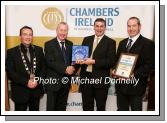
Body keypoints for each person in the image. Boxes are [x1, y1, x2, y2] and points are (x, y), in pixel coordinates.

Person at [114, 17, 154, 111]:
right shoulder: (122, 43)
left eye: (134, 26)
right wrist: (115, 69)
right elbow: (117, 61)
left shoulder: (148, 44)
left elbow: (150, 66)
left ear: (139, 26)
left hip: (136, 87)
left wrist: (134, 74)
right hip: (120, 86)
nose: (131, 28)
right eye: (129, 26)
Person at [76, 18, 116, 111]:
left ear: (105, 28)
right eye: (97, 26)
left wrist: (94, 61)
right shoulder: (86, 39)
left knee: (101, 108)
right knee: (86, 107)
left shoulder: (110, 42)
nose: (99, 28)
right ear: (94, 27)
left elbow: (111, 61)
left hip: (101, 82)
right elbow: (81, 57)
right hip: (86, 80)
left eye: (101, 26)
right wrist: (76, 63)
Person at [6, 26, 45, 111]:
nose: (28, 37)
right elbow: (10, 73)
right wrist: (26, 82)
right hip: (20, 92)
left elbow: (43, 68)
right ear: (20, 36)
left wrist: (37, 80)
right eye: (25, 34)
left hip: (36, 91)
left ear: (32, 36)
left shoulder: (39, 50)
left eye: (30, 34)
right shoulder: (11, 52)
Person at [44, 22, 75, 111]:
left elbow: (72, 61)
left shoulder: (70, 44)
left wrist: (73, 67)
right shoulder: (49, 44)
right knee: (51, 109)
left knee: (62, 109)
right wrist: (65, 69)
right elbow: (50, 62)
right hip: (53, 83)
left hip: (65, 83)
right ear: (57, 31)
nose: (63, 32)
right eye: (61, 30)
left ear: (67, 32)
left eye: (65, 30)